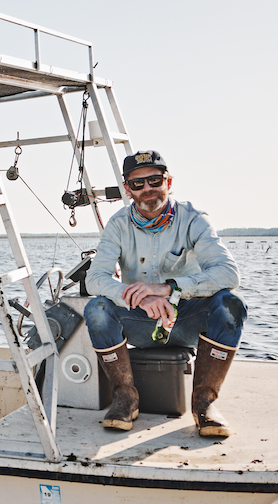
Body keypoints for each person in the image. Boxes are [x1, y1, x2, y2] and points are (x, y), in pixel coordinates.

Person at [84, 150, 247, 438]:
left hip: (186, 321)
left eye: (154, 180)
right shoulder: (118, 225)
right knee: (96, 309)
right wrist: (139, 297)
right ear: (127, 190)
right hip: (141, 321)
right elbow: (95, 278)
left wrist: (169, 288)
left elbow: (229, 274)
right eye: (137, 184)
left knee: (230, 304)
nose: (147, 189)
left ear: (168, 182)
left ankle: (204, 404)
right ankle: (125, 397)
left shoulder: (195, 219)